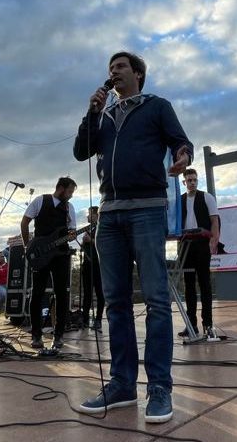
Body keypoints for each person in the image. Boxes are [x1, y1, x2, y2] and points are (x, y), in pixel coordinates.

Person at [73, 51, 192, 424]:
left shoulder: (157, 106)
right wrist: (92, 112)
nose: (113, 72)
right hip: (109, 214)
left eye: (121, 67)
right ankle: (122, 384)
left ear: (138, 74)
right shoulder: (104, 115)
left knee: (156, 300)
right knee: (116, 303)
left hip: (147, 208)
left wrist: (183, 158)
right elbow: (80, 152)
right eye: (110, 68)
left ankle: (159, 388)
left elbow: (180, 141)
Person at [21, 177, 78, 350]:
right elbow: (25, 222)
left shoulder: (70, 207)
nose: (70, 196)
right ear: (60, 188)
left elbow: (72, 232)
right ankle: (36, 335)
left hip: (60, 254)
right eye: (69, 192)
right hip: (40, 254)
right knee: (37, 293)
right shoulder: (40, 200)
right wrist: (27, 246)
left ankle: (58, 335)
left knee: (62, 293)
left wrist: (71, 236)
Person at [179, 168, 220, 339]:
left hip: (202, 243)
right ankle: (191, 325)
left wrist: (214, 240)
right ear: (184, 182)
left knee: (204, 284)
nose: (192, 182)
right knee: (188, 286)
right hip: (185, 244)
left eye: (195, 179)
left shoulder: (206, 197)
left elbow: (214, 220)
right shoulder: (179, 200)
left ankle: (208, 325)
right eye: (189, 180)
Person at [80, 206, 105, 331]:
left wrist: (91, 240)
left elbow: (104, 243)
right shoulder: (88, 229)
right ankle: (84, 319)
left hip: (98, 265)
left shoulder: (102, 227)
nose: (87, 216)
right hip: (87, 265)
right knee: (87, 293)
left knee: (100, 293)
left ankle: (98, 319)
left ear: (96, 215)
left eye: (90, 214)